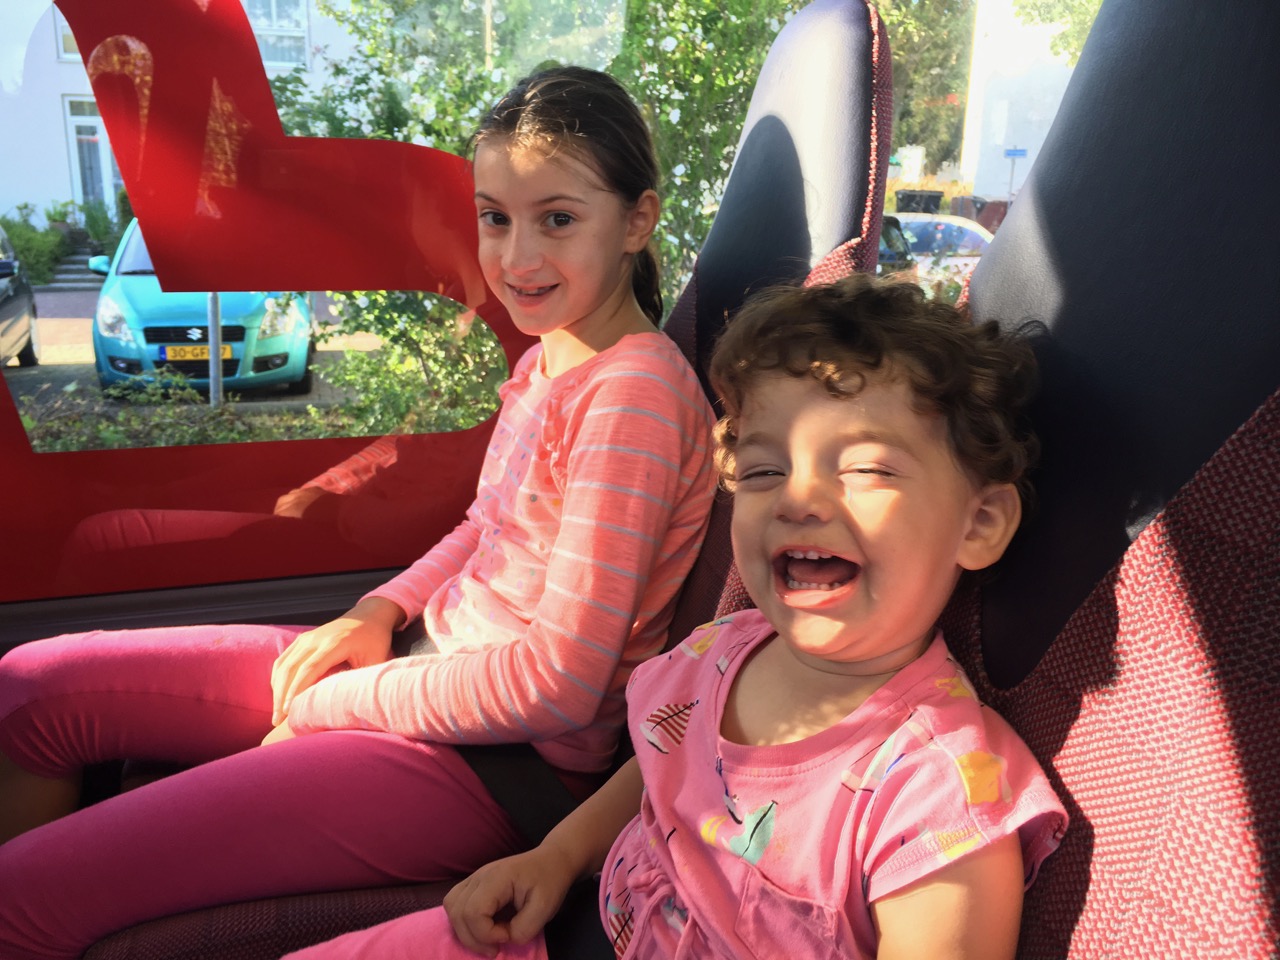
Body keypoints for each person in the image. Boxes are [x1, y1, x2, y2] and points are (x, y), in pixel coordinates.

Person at [0, 66, 716, 958]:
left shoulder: (634, 393)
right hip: (429, 671)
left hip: (501, 764)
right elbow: (484, 530)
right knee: (33, 688)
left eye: (558, 219)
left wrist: (349, 702)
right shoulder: (553, 359)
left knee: (23, 899)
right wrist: (377, 612)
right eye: (496, 217)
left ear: (637, 221)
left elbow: (561, 682)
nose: (517, 258)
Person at [280, 274, 1069, 960]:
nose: (798, 498)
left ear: (979, 525)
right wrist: (556, 857)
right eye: (764, 470)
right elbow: (662, 763)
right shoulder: (726, 649)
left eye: (862, 467)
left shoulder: (938, 794)